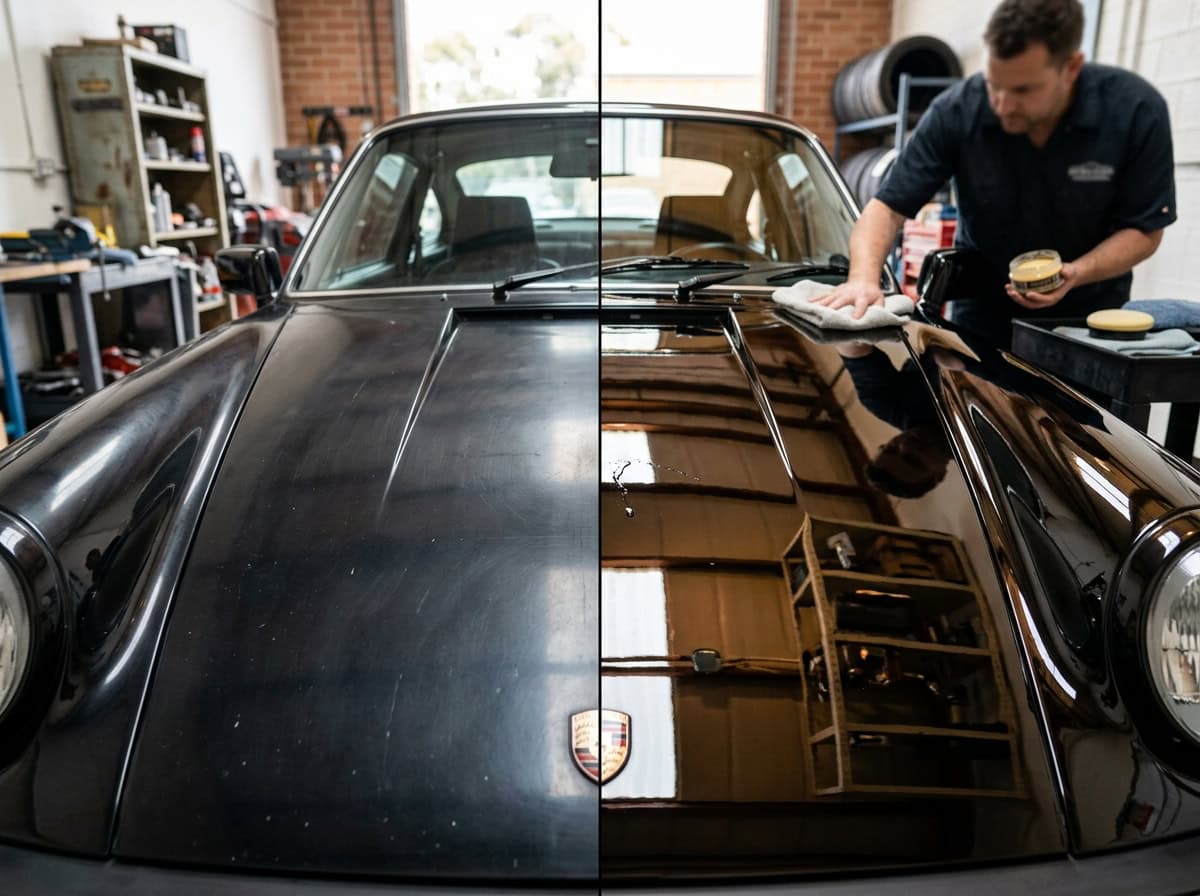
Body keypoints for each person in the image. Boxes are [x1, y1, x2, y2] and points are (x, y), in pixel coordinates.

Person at [814, 0, 1176, 345]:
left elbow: (1145, 230)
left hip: (1088, 315)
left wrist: (1077, 272)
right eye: (994, 85)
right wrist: (863, 278)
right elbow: (886, 208)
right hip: (982, 311)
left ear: (1071, 68)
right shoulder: (957, 111)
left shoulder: (1135, 111)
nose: (1002, 105)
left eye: (1022, 90)